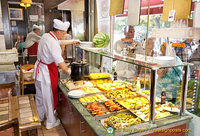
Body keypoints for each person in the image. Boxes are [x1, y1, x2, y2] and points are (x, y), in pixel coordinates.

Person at [33, 19, 79, 130]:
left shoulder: (46, 36)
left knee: (40, 97)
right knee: (48, 97)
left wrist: (72, 41)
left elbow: (60, 42)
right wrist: (69, 72)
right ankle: (50, 122)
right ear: (58, 32)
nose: (64, 36)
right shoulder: (53, 43)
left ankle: (38, 117)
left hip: (39, 71)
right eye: (63, 33)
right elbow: (60, 62)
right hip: (45, 73)